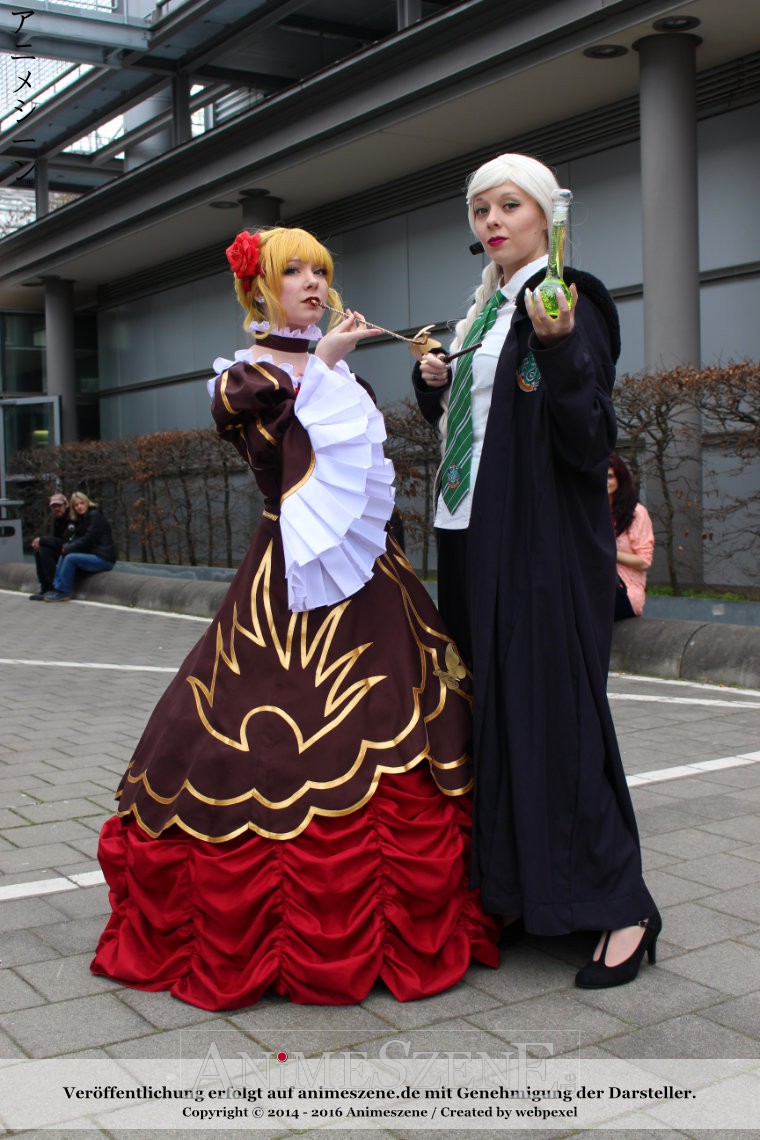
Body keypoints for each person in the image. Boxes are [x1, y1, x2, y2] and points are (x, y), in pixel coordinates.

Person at [90, 226, 499, 1010]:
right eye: (294, 272)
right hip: (288, 575)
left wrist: (340, 370)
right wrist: (329, 369)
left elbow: (365, 481)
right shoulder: (245, 380)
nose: (313, 283)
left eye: (321, 270)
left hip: (372, 576)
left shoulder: (337, 372)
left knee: (409, 713)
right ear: (259, 288)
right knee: (265, 729)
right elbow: (286, 470)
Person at [413, 153, 659, 989]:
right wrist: (434, 383)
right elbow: (482, 424)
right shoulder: (483, 311)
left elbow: (589, 441)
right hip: (471, 534)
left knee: (557, 715)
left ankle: (622, 908)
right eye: (480, 208)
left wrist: (556, 348)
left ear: (548, 215)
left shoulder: (569, 298)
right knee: (495, 720)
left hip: (543, 542)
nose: (491, 221)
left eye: (509, 205)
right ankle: (525, 895)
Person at [43, 492, 116, 602]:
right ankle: (56, 588)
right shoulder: (82, 518)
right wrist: (67, 547)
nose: (79, 507)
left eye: (82, 503)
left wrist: (69, 548)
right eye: (76, 505)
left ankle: (64, 592)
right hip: (93, 555)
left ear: (87, 503)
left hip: (103, 558)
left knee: (70, 558)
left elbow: (88, 539)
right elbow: (77, 538)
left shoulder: (95, 516)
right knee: (65, 554)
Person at [608, 452, 655, 621]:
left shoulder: (636, 513)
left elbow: (644, 561)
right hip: (595, 586)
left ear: (620, 479)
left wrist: (609, 553)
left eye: (610, 476)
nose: (604, 481)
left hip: (624, 592)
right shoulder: (593, 513)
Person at [29, 492, 73, 600]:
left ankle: (53, 586)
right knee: (39, 549)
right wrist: (40, 542)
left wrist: (42, 540)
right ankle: (45, 587)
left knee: (45, 550)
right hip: (63, 548)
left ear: (66, 504)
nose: (56, 509)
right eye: (54, 506)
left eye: (59, 505)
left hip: (72, 549)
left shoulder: (72, 519)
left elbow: (65, 541)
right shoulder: (57, 519)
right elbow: (55, 540)